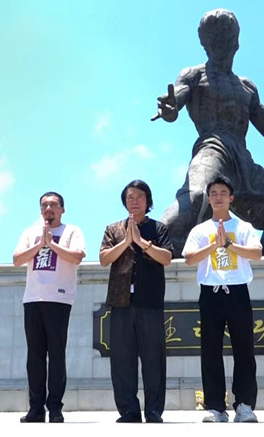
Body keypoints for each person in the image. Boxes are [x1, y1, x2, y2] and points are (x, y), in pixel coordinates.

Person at [153, 8, 264, 258]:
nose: (219, 43)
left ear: (236, 43)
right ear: (205, 44)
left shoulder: (247, 86)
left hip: (243, 162)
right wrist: (170, 108)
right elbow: (176, 103)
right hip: (212, 149)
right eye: (213, 37)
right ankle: (150, 252)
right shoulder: (194, 75)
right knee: (195, 197)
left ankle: (263, 278)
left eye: (224, 36)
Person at [182, 175, 262, 423]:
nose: (218, 197)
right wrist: (213, 245)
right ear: (208, 198)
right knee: (210, 351)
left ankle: (245, 405)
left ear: (231, 198)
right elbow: (189, 258)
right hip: (211, 293)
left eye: (223, 193)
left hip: (237, 291)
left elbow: (257, 253)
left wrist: (228, 244)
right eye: (214, 193)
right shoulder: (200, 230)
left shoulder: (243, 227)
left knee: (244, 350)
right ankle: (215, 407)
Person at [99, 180, 174, 423]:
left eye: (139, 197)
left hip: (150, 302)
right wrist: (126, 241)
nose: (134, 201)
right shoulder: (113, 229)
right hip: (120, 303)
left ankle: (153, 411)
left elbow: (166, 258)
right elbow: (103, 259)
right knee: (122, 360)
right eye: (130, 197)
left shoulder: (158, 229)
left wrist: (142, 243)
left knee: (153, 359)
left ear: (148, 201)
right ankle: (129, 411)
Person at [13, 191, 86, 423]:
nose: (49, 209)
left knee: (56, 355)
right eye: (44, 205)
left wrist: (51, 244)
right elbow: (17, 259)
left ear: (62, 209)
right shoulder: (29, 232)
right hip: (33, 299)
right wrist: (41, 244)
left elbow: (76, 257)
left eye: (54, 205)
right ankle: (35, 408)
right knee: (34, 357)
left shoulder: (71, 231)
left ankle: (55, 407)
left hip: (59, 300)